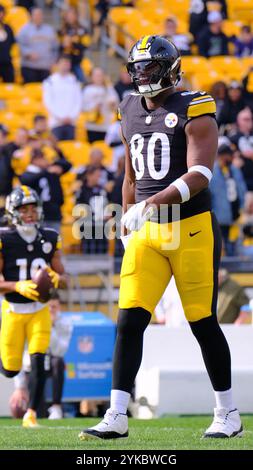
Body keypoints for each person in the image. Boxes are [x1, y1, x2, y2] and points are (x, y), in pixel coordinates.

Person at [79, 35, 243, 440]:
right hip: (147, 232)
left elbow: (201, 174)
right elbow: (131, 175)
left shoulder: (196, 105)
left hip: (191, 228)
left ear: (169, 69)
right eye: (137, 68)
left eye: (149, 68)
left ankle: (228, 413)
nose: (141, 75)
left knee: (202, 322)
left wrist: (150, 206)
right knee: (129, 319)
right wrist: (122, 216)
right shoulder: (128, 107)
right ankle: (117, 413)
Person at [0, 186, 67, 427]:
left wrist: (57, 278)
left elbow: (63, 275)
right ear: (13, 212)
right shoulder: (4, 238)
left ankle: (31, 414)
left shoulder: (49, 236)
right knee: (10, 368)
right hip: (13, 311)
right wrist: (17, 286)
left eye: (32, 209)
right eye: (23, 209)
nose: (29, 214)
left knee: (40, 360)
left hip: (39, 310)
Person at [9, 292, 73, 420]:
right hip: (33, 365)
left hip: (52, 363)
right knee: (39, 411)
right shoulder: (33, 320)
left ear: (59, 307)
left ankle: (56, 407)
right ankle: (35, 409)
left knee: (58, 362)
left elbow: (59, 351)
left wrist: (50, 328)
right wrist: (19, 386)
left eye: (54, 307)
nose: (50, 310)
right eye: (48, 306)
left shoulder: (65, 323)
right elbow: (23, 351)